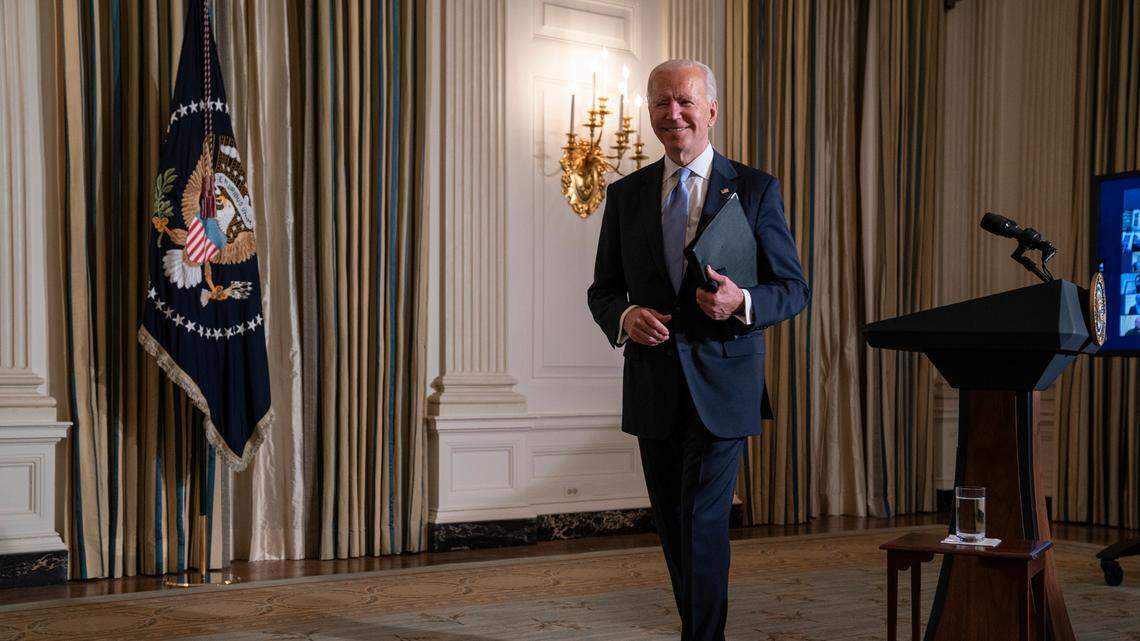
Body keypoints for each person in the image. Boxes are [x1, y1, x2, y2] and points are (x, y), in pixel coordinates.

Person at [587, 59, 808, 641]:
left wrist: (742, 301)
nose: (673, 113)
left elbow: (793, 289)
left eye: (685, 101)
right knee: (672, 524)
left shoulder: (756, 189)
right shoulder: (626, 195)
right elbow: (603, 289)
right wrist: (626, 316)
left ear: (711, 110)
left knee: (703, 521)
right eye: (661, 102)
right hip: (653, 386)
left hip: (724, 385)